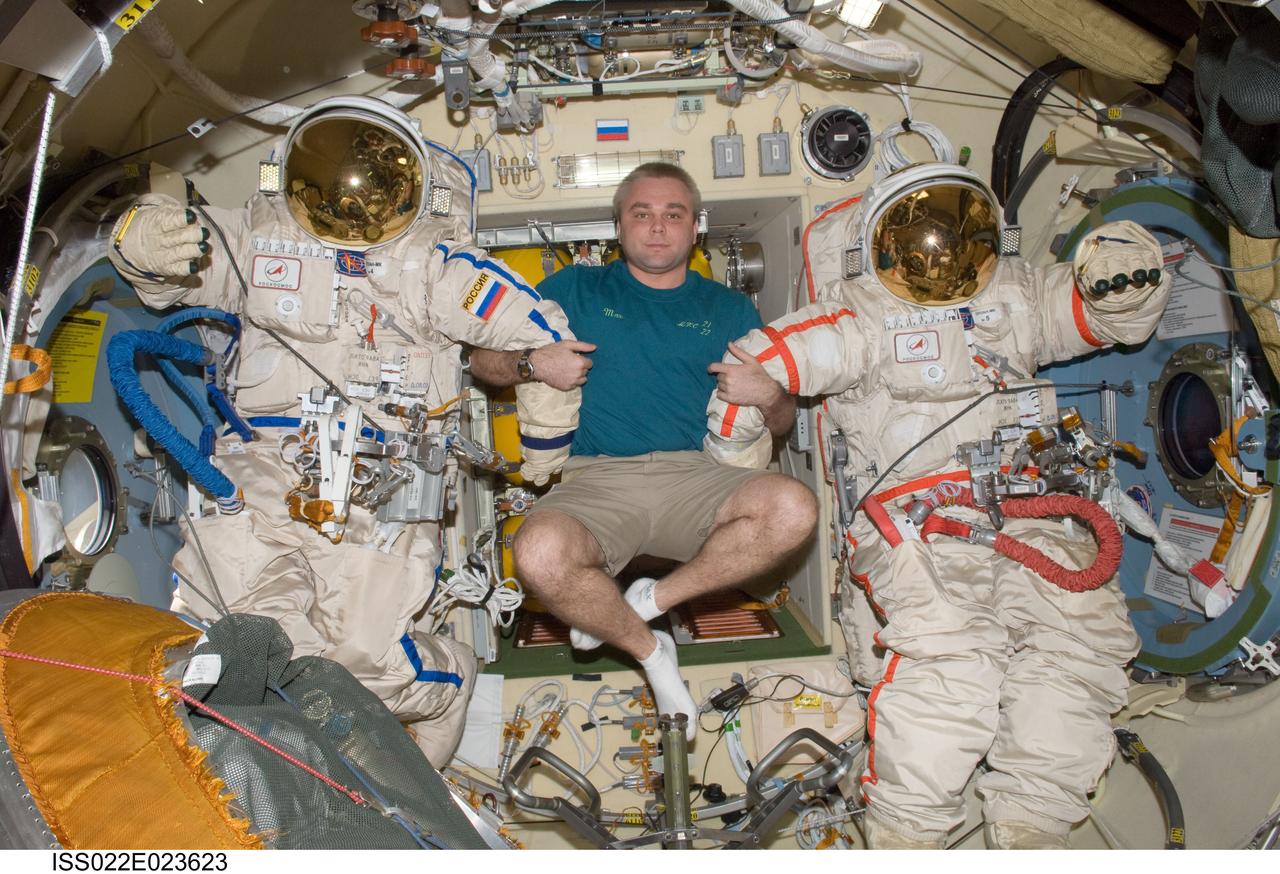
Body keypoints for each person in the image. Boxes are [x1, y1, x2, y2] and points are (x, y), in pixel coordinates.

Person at [705, 162, 1171, 848]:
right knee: (952, 660)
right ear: (884, 242)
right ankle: (909, 837)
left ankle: (1032, 823)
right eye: (921, 235)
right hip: (918, 521)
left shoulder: (1017, 298)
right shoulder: (857, 317)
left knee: (1079, 643)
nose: (939, 253)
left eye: (954, 232)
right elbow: (752, 372)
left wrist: (1124, 278)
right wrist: (736, 474)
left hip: (1029, 505)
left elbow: (1109, 320)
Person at [106, 95, 577, 765]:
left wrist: (545, 446)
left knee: (369, 663)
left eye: (376, 182)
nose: (355, 200)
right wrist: (143, 239)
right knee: (251, 635)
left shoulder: (434, 268)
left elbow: (538, 330)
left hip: (381, 486)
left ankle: (447, 683)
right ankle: (281, 768)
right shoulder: (255, 240)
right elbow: (167, 260)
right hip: (262, 466)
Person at [470, 163, 817, 738]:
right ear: (618, 226)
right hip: (595, 479)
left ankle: (648, 600)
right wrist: (534, 364)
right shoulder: (572, 290)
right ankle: (652, 653)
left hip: (697, 475)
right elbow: (483, 360)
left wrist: (771, 394)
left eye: (673, 214)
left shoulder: (727, 309)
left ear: (695, 228)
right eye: (642, 214)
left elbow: (779, 424)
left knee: (795, 508)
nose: (658, 228)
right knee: (538, 555)